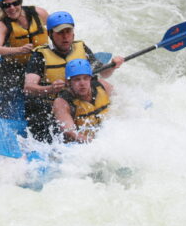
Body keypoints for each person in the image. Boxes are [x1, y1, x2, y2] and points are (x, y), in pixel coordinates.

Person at [23, 11, 123, 142]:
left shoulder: (81, 48)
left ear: (73, 33)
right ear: (50, 34)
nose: (65, 37)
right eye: (60, 32)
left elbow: (102, 73)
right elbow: (28, 88)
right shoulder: (40, 56)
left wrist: (112, 66)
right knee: (45, 128)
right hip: (52, 104)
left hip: (80, 98)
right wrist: (50, 89)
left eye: (68, 31)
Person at [0, 0, 48, 119]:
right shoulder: (3, 24)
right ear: (2, 7)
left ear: (21, 2)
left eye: (15, 3)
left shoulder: (39, 13)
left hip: (40, 62)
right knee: (5, 90)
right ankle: (4, 116)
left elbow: (55, 30)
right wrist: (19, 50)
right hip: (14, 67)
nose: (12, 8)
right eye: (6, 5)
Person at [52, 59, 110, 144]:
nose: (82, 83)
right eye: (77, 79)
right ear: (68, 82)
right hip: (78, 145)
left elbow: (120, 103)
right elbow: (70, 132)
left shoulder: (102, 86)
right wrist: (96, 143)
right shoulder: (62, 102)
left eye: (85, 78)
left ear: (90, 78)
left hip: (102, 136)